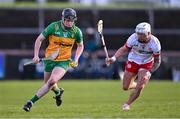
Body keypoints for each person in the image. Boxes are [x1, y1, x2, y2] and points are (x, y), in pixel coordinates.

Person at [23, 8, 84, 112]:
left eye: (72, 21)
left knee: (51, 81)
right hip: (49, 60)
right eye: (68, 20)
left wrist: (76, 59)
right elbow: (39, 39)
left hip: (64, 61)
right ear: (63, 18)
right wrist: (36, 55)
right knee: (48, 83)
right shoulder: (53, 26)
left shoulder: (76, 31)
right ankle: (58, 92)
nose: (70, 23)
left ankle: (30, 102)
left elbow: (80, 46)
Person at [106, 22, 161, 110]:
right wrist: (113, 58)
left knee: (140, 87)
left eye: (142, 34)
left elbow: (158, 61)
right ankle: (138, 84)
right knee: (125, 87)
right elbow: (124, 49)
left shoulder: (155, 43)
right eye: (138, 34)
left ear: (149, 33)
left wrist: (150, 72)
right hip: (133, 61)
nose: (139, 36)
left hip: (146, 64)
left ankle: (127, 104)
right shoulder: (133, 38)